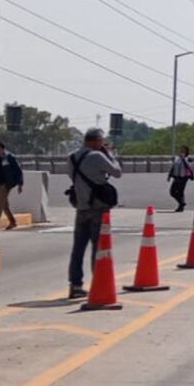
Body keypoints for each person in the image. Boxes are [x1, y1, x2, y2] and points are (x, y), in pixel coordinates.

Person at [66, 128, 122, 299]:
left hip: (81, 207)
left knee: (78, 248)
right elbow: (117, 172)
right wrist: (109, 154)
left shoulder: (72, 157)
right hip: (98, 208)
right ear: (95, 141)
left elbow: (73, 178)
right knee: (99, 247)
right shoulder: (97, 156)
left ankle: (75, 285)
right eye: (101, 141)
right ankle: (99, 281)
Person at [167, 145, 194, 212]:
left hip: (184, 177)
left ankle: (181, 207)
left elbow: (189, 167)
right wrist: (169, 175)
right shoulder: (177, 158)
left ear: (187, 151)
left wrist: (183, 159)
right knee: (172, 192)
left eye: (184, 150)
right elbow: (173, 167)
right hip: (176, 177)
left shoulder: (189, 159)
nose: (182, 151)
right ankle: (182, 203)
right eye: (181, 150)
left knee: (180, 192)